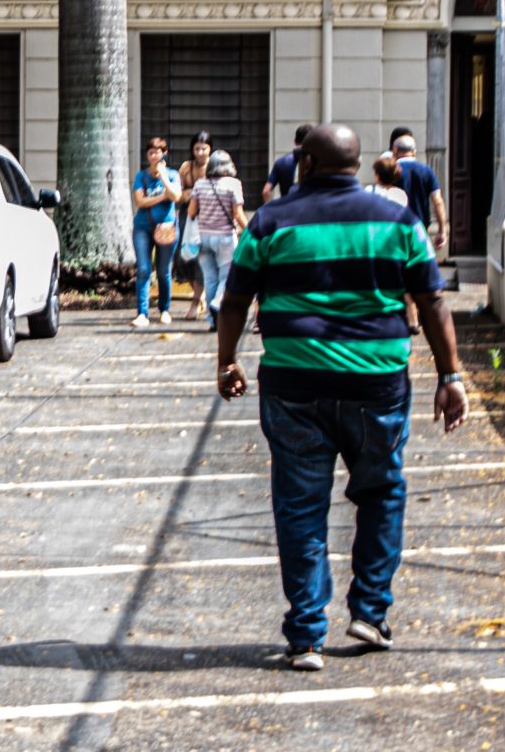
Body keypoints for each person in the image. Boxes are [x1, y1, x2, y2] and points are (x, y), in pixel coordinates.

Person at [217, 125, 466, 666]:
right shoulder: (397, 220)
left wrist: (227, 361)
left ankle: (306, 634)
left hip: (294, 386)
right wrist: (450, 378)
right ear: (357, 164)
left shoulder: (271, 221)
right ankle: (370, 614)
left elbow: (235, 299)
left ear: (304, 163)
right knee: (382, 493)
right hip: (376, 385)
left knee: (300, 506)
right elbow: (432, 300)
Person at [187, 150, 247, 332]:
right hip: (225, 238)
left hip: (203, 238)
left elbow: (191, 211)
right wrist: (250, 230)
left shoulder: (200, 184)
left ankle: (213, 322)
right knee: (227, 277)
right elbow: (238, 213)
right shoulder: (234, 184)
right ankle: (217, 303)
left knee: (210, 279)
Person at [129, 135, 182, 327]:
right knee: (143, 269)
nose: (154, 156)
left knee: (163, 270)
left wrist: (164, 178)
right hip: (143, 227)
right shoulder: (141, 176)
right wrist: (161, 197)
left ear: (164, 153)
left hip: (166, 228)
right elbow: (140, 201)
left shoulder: (173, 174)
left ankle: (164, 309)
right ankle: (142, 313)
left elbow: (175, 196)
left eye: (157, 152)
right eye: (151, 153)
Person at [389, 131, 451, 259]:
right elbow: (438, 201)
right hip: (420, 226)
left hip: (395, 227)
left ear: (395, 151)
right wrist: (442, 230)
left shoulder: (391, 171)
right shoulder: (426, 171)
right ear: (414, 152)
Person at [176, 132, 214, 318]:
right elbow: (178, 194)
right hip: (187, 215)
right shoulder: (186, 167)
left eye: (204, 148)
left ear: (210, 149)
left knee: (201, 258)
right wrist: (189, 194)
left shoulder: (215, 166)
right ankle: (200, 293)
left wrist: (196, 193)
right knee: (182, 258)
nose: (200, 152)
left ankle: (196, 302)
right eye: (197, 148)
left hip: (208, 215)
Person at [263, 123, 315, 205]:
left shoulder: (281, 162)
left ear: (295, 141)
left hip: (286, 207)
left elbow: (266, 191)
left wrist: (272, 209)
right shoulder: (316, 162)